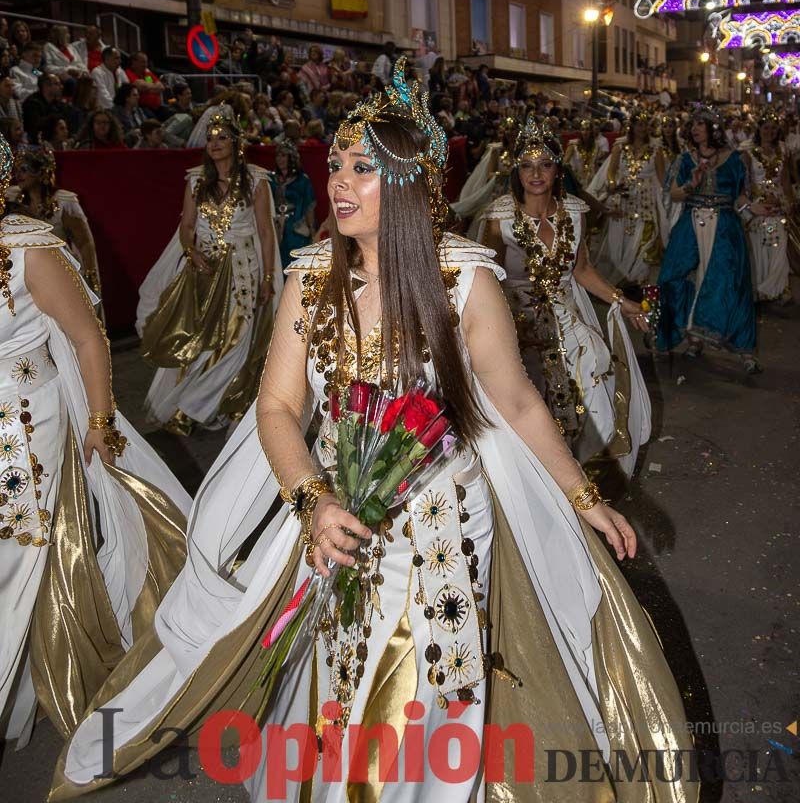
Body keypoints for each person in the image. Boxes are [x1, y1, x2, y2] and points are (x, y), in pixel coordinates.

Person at [55, 60, 696, 801]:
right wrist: (311, 500)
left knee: (425, 697)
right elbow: (276, 409)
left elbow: (515, 403)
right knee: (346, 682)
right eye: (335, 165)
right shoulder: (309, 278)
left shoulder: (463, 279)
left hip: (446, 530)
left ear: (409, 183)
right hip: (336, 526)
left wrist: (585, 498)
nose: (338, 181)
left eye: (363, 167)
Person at [0, 134, 190, 749]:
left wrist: (101, 421)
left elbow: (87, 337)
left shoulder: (27, 248)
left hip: (30, 424)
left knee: (25, 555)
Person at [479, 117, 651, 483]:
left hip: (565, 312)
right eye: (526, 165)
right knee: (531, 396)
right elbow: (485, 277)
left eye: (544, 164)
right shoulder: (500, 216)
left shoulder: (574, 211)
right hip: (518, 320)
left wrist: (621, 300)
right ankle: (537, 474)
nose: (535, 173)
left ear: (558, 169)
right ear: (516, 170)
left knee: (593, 367)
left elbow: (582, 269)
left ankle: (581, 471)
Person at [136, 110, 281, 434]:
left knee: (238, 338)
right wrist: (191, 250)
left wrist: (269, 278)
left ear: (236, 143)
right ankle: (196, 402)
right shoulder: (196, 181)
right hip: (205, 269)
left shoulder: (255, 181)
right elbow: (186, 227)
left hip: (244, 268)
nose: (214, 143)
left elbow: (266, 232)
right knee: (203, 339)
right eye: (210, 139)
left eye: (222, 138)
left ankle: (193, 407)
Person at [658, 108, 764, 373]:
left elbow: (739, 199)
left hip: (725, 227)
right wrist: (691, 185)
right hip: (690, 223)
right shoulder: (684, 159)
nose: (694, 129)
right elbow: (674, 194)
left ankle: (745, 349)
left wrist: (754, 208)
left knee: (731, 283)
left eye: (700, 124)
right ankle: (693, 335)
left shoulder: (737, 159)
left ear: (713, 129)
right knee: (674, 277)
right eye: (692, 124)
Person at [9, 147, 102, 296]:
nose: (18, 175)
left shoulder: (63, 202)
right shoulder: (12, 199)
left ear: (41, 172)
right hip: (21, 277)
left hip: (57, 275)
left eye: (24, 169)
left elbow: (85, 243)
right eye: (16, 169)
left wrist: (90, 276)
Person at [589, 109, 669, 285]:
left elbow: (663, 178)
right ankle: (622, 282)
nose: (643, 128)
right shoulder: (620, 147)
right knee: (620, 240)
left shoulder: (656, 149)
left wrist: (672, 197)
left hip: (646, 202)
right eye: (639, 124)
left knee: (645, 241)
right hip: (622, 199)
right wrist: (611, 184)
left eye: (646, 124)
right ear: (631, 126)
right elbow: (611, 172)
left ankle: (638, 281)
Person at [747, 110, 792, 302]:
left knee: (778, 243)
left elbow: (786, 180)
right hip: (758, 208)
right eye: (766, 128)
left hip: (778, 208)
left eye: (774, 128)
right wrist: (750, 204)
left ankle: (778, 287)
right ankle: (762, 286)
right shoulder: (748, 152)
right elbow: (746, 182)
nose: (770, 132)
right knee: (761, 245)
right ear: (759, 129)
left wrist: (790, 201)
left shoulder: (783, 151)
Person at [270, 137, 316, 268]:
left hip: (296, 231)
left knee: (297, 268)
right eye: (278, 155)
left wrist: (313, 233)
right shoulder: (271, 180)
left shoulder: (302, 180)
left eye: (283, 155)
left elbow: (309, 208)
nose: (280, 159)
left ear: (292, 158)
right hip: (276, 229)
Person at [22, 73, 70, 143]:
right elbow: (34, 127)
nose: (61, 87)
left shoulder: (57, 104)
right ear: (46, 86)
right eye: (57, 84)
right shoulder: (32, 103)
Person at [562, 119, 609, 188]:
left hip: (591, 179)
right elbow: (565, 163)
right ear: (580, 131)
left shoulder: (596, 145)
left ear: (591, 131)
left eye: (587, 129)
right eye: (582, 129)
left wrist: (598, 179)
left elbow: (594, 163)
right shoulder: (573, 145)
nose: (585, 132)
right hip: (576, 179)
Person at [124, 51, 165, 115]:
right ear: (134, 62)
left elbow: (161, 87)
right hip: (143, 108)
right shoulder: (128, 73)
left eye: (146, 62)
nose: (146, 65)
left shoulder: (147, 74)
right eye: (143, 62)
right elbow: (140, 86)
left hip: (158, 107)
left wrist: (147, 88)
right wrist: (154, 87)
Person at [90, 46, 127, 111]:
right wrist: (117, 109)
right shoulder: (97, 73)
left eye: (119, 58)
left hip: (121, 108)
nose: (120, 61)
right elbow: (103, 96)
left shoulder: (120, 71)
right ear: (107, 59)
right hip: (105, 110)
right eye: (116, 58)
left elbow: (127, 89)